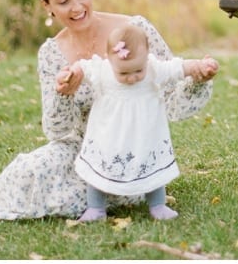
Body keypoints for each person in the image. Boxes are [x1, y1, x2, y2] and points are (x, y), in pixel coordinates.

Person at [0, 0, 217, 222]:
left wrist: (197, 78)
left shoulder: (134, 30)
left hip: (134, 146)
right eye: (63, 1)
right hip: (83, 149)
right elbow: (57, 132)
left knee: (73, 198)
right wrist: (64, 94)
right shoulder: (51, 54)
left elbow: (173, 101)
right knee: (33, 166)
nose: (77, 7)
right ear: (46, 6)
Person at [64, 24, 219, 222]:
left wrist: (199, 66)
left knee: (153, 170)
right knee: (97, 172)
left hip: (145, 136)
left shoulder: (154, 70)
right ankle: (95, 208)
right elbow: (83, 67)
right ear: (109, 60)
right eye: (123, 74)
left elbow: (177, 67)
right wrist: (72, 73)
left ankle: (158, 205)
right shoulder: (102, 71)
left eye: (138, 70)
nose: (132, 78)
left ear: (147, 57)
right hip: (109, 137)